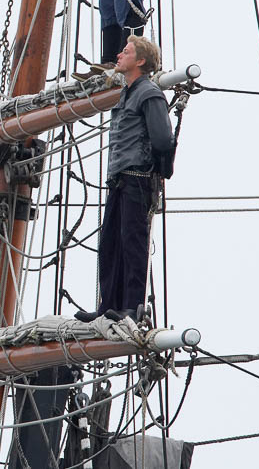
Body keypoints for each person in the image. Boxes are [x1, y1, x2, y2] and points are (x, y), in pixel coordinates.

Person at [75, 36, 173, 323]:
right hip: (119, 179)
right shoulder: (127, 93)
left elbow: (163, 140)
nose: (119, 54)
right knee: (110, 244)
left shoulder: (149, 94)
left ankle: (132, 305)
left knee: (132, 243)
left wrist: (155, 172)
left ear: (140, 61)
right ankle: (108, 305)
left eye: (126, 51)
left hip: (136, 178)